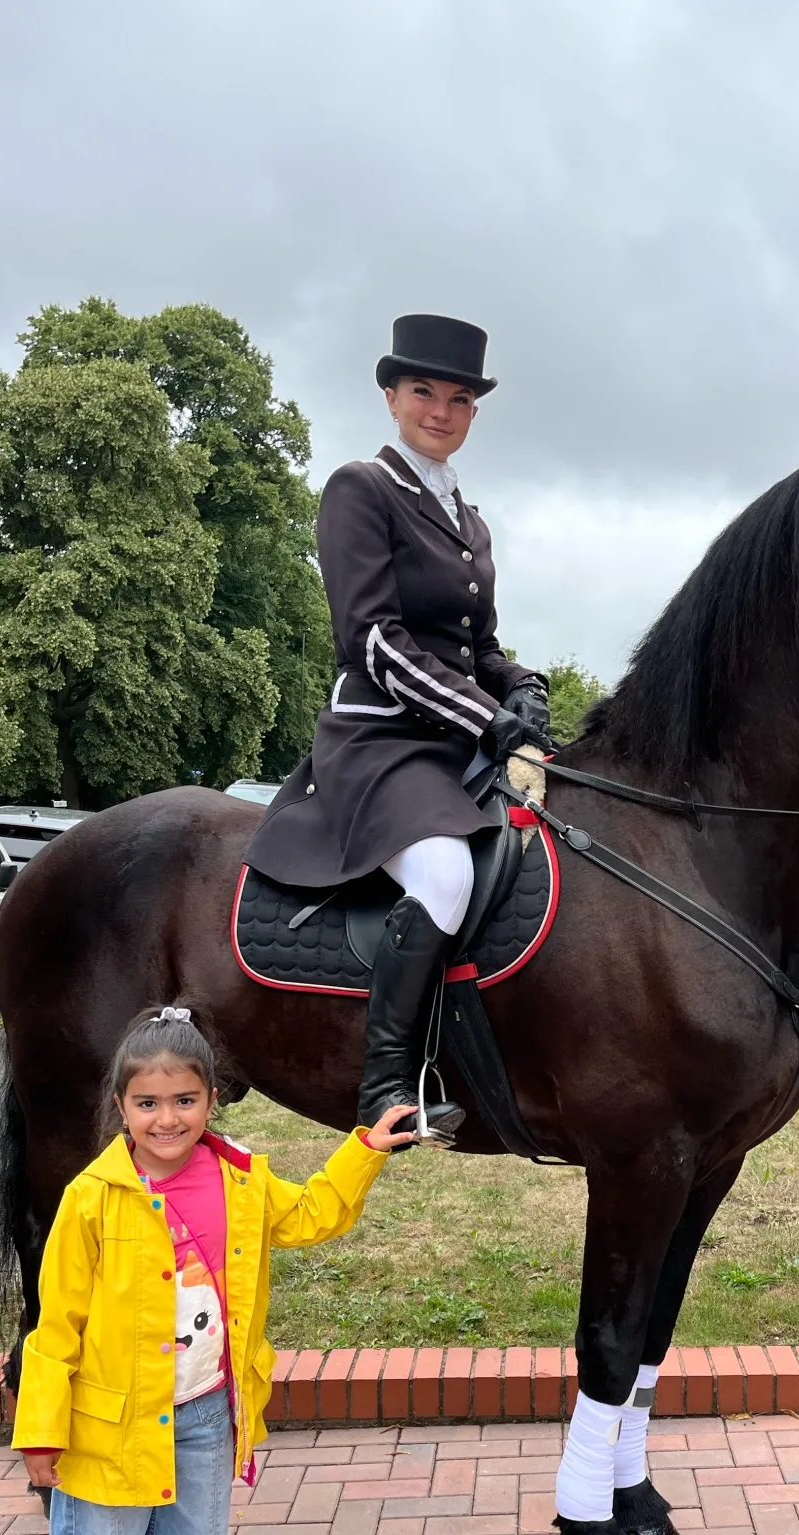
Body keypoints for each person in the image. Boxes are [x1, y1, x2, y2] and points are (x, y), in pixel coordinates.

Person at [11, 1005, 415, 1535]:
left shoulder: (241, 1181)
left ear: (212, 1100)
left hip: (204, 1410)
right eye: (147, 1103)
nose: (167, 1119)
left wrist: (364, 1149)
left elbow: (315, 1214)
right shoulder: (93, 1199)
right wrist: (40, 1431)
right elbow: (55, 1328)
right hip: (109, 1422)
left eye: (184, 1100)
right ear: (121, 1106)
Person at [245, 313, 551, 1143]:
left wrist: (523, 686)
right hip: (378, 741)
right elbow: (374, 642)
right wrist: (488, 717)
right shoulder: (361, 489)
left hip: (451, 745)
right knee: (445, 874)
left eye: (459, 399)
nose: (441, 411)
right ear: (391, 397)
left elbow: (478, 647)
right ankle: (385, 1083)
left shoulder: (470, 520)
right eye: (424, 392)